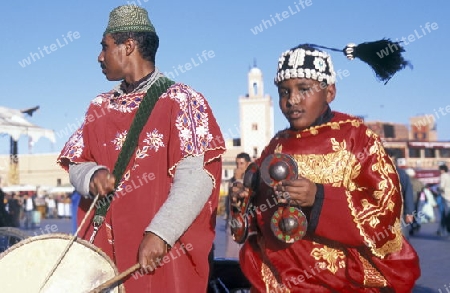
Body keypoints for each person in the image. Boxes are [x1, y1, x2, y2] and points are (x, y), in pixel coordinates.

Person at [57, 5, 225, 292]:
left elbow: (195, 178)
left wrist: (161, 233)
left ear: (129, 46)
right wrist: (92, 174)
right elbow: (76, 163)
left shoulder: (183, 100)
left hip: (158, 254)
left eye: (105, 46)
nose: (100, 56)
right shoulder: (99, 106)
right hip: (105, 257)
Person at [231, 42, 420, 292]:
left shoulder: (356, 137)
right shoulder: (277, 144)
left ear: (329, 92)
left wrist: (319, 198)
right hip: (279, 279)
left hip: (343, 280)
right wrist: (245, 201)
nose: (292, 100)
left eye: (304, 89)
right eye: (284, 92)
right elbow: (263, 212)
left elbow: (385, 207)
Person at [225, 152, 251, 258]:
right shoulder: (232, 180)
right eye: (237, 164)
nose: (239, 167)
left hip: (247, 222)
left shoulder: (252, 180)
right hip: (233, 222)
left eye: (241, 163)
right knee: (231, 255)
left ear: (248, 164)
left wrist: (239, 180)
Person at [405, 168, 424, 235]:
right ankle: (415, 224)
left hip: (409, 201)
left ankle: (411, 226)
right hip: (418, 200)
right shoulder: (418, 182)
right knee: (417, 212)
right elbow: (422, 189)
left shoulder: (406, 181)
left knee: (410, 213)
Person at [437, 164, 450, 236]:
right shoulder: (448, 175)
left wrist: (437, 189)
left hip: (444, 196)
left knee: (443, 213)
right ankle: (441, 229)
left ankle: (442, 229)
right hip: (449, 196)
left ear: (442, 170)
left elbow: (441, 187)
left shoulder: (443, 176)